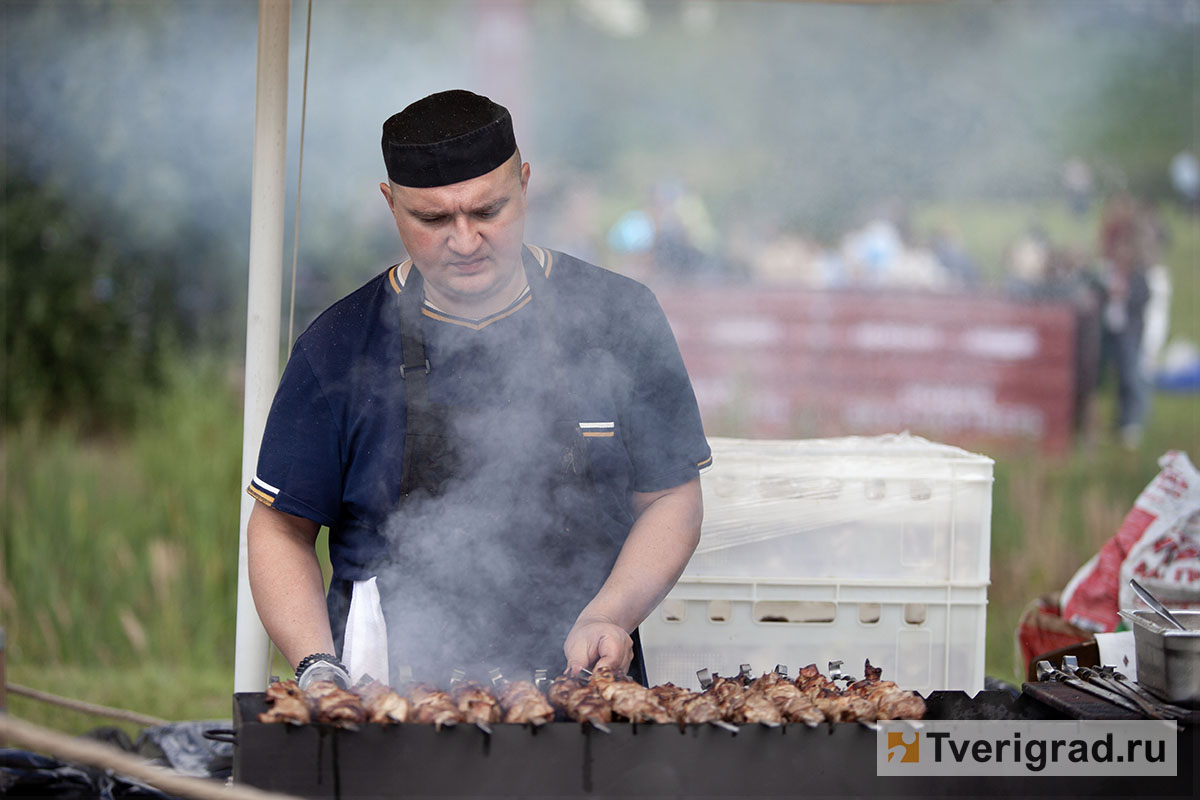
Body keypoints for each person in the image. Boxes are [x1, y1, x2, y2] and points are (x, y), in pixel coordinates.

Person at [245, 90, 711, 690]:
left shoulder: (621, 319)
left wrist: (609, 614)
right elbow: (281, 528)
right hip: (381, 702)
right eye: (433, 219)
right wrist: (315, 664)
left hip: (584, 689)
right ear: (391, 205)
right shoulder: (337, 346)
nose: (464, 242)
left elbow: (671, 498)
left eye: (488, 212)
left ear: (524, 183)